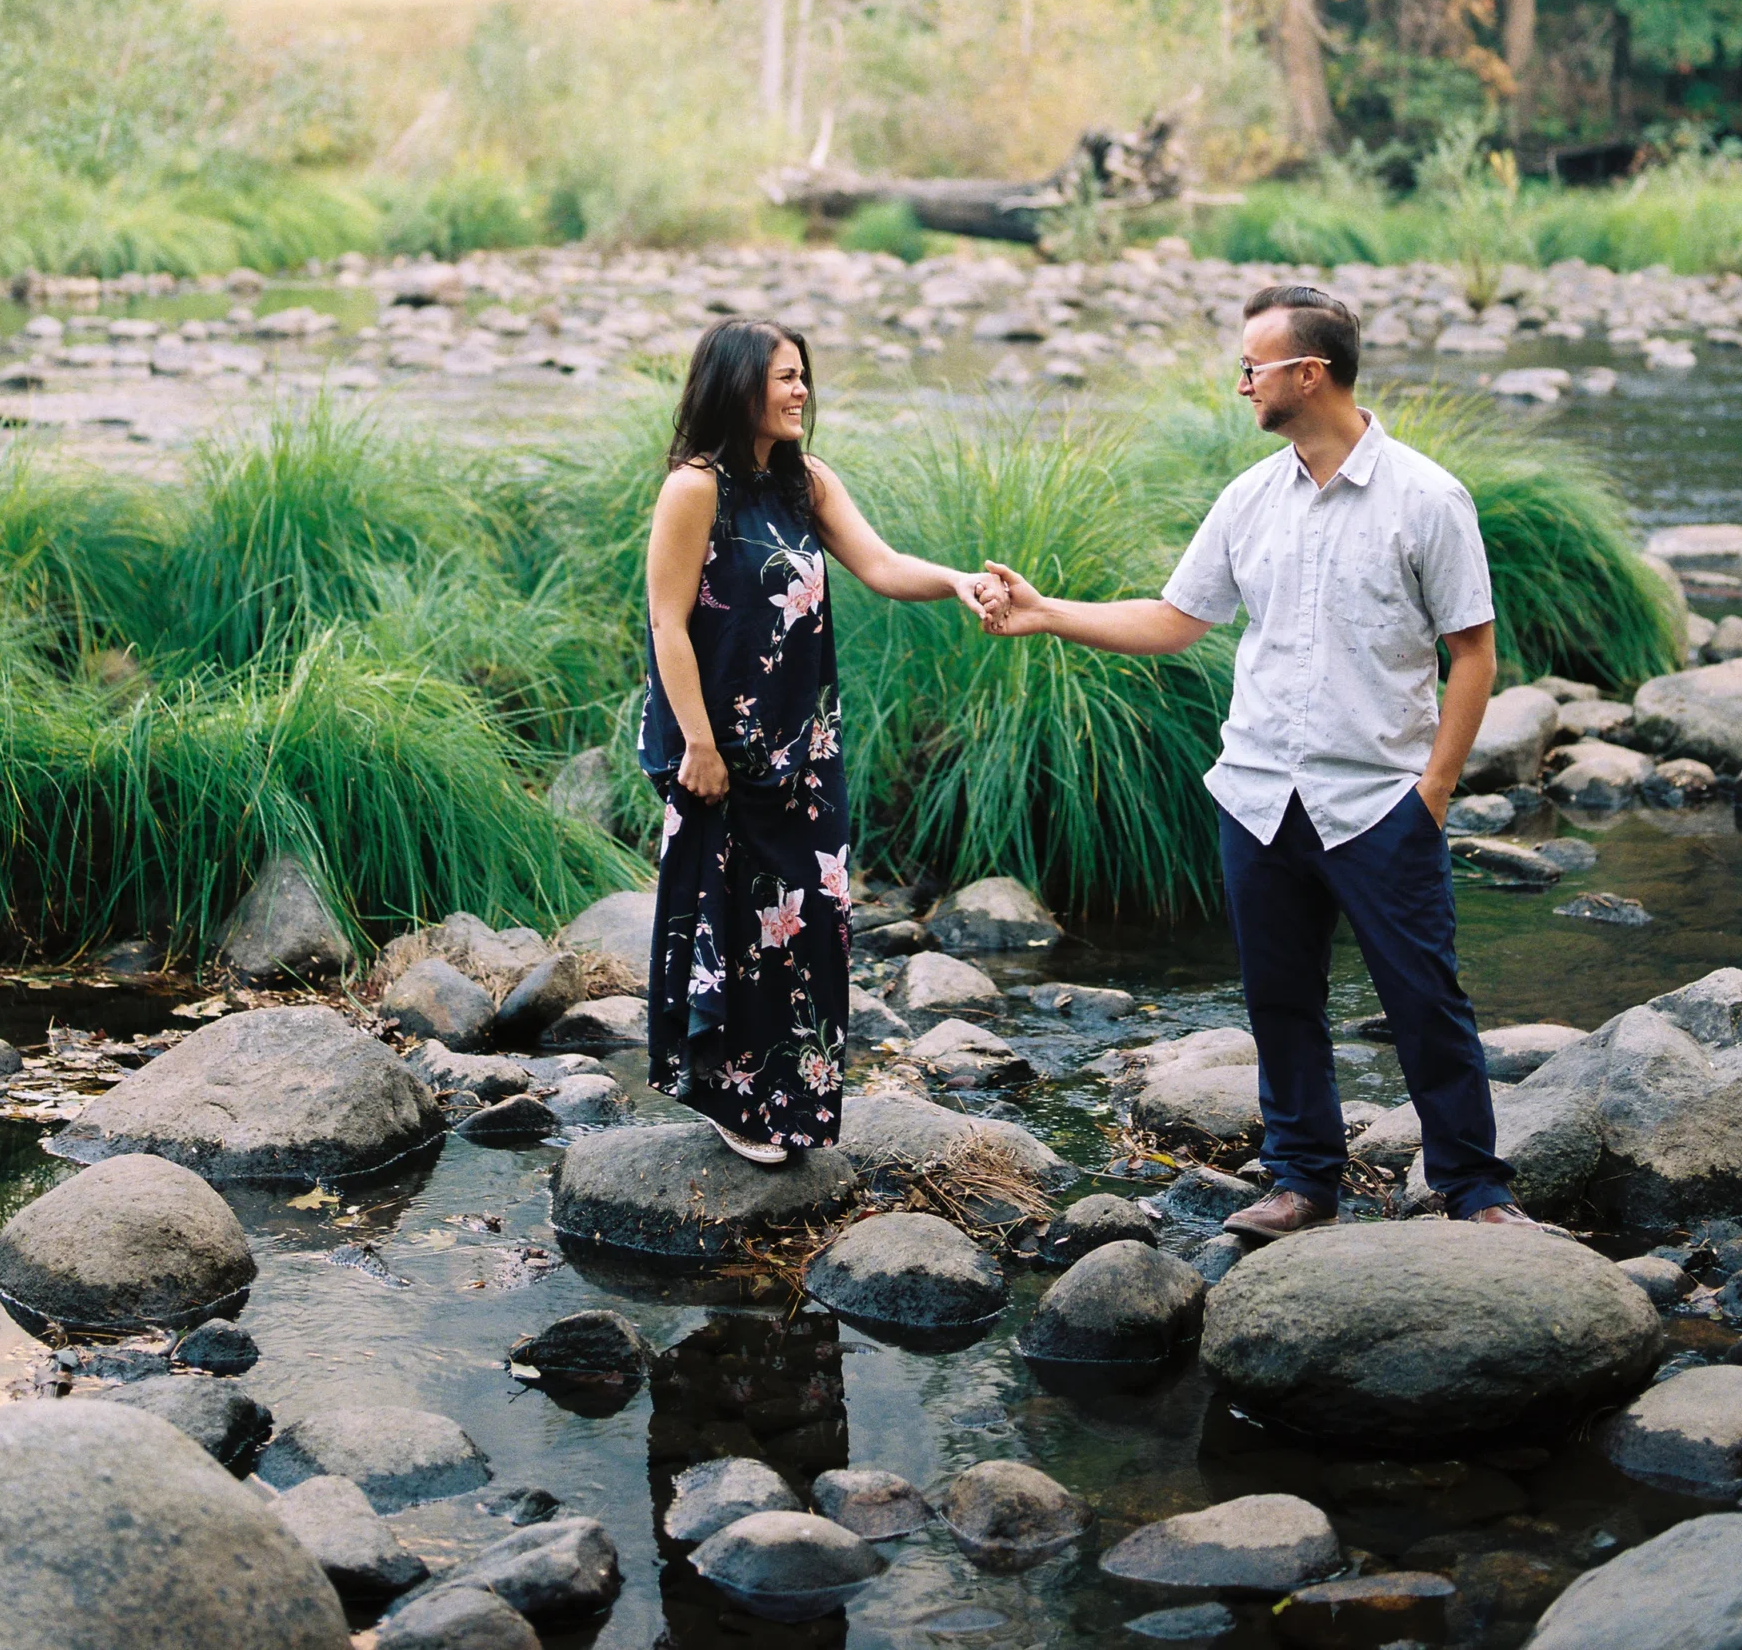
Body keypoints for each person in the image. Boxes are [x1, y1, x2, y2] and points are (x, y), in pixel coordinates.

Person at [979, 281, 1532, 1236]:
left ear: (1308, 374)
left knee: (1422, 1000)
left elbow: (1473, 651)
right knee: (1281, 1001)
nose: (1241, 384)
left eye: (1253, 367)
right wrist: (1045, 615)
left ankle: (1476, 1191)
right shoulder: (1248, 499)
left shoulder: (1428, 499)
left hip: (1378, 802)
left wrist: (1433, 793)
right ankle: (1303, 1183)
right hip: (1259, 794)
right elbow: (1175, 619)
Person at [641, 317, 990, 1164]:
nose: (802, 392)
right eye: (785, 377)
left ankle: (791, 1105)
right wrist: (700, 744)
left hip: (805, 749)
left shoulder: (806, 481)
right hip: (718, 749)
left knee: (810, 918)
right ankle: (733, 1101)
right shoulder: (696, 488)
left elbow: (879, 564)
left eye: (804, 376)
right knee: (735, 921)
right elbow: (667, 621)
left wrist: (953, 580)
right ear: (738, 385)